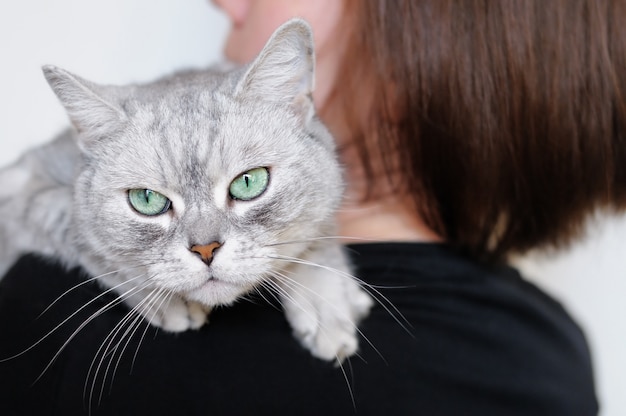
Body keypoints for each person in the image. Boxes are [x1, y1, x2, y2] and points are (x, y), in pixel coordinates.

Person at [0, 0, 622, 414]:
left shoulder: (56, 325)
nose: (223, 2)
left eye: (245, 186)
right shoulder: (552, 352)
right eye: (146, 200)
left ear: (434, 22)